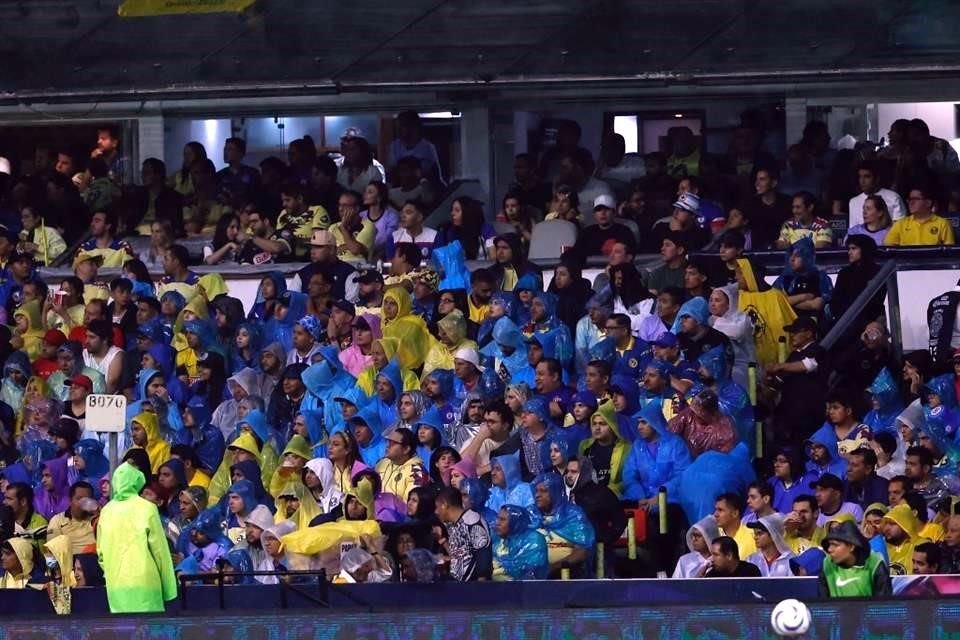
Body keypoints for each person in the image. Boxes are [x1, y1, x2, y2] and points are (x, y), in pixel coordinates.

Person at [97, 462, 177, 612]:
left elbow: (101, 554)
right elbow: (160, 551)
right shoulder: (148, 508)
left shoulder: (106, 511)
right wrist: (169, 590)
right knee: (150, 633)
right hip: (147, 584)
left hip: (116, 586)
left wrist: (113, 572)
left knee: (123, 632)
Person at [819, 520, 891, 597]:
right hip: (836, 609)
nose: (829, 549)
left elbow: (883, 603)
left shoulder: (874, 563)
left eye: (835, 545)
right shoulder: (827, 563)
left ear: (851, 547)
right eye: (830, 544)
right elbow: (823, 603)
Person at [434, 485, 492, 581]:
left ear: (444, 504)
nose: (436, 511)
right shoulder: (453, 526)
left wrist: (481, 590)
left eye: (437, 507)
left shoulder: (472, 520)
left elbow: (483, 554)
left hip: (473, 588)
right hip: (457, 587)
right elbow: (459, 556)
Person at [491, 504, 548, 581]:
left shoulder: (534, 539)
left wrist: (502, 564)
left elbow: (528, 570)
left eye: (502, 520)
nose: (497, 523)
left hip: (527, 590)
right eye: (498, 518)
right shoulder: (497, 540)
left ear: (515, 522)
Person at [884, 185, 955, 246]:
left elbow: (949, 253)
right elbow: (888, 249)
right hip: (907, 261)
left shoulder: (943, 224)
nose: (911, 202)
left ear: (928, 202)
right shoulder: (900, 224)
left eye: (915, 199)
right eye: (909, 199)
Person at [713, 493, 756, 559]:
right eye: (715, 510)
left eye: (720, 510)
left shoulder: (753, 536)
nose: (715, 514)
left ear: (735, 513)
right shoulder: (713, 535)